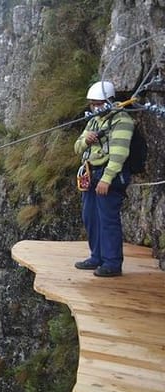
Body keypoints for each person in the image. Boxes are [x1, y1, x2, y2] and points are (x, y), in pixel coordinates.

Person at [73, 81, 133, 277]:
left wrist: (106, 179)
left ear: (108, 101)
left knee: (107, 219)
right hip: (91, 172)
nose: (94, 107)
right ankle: (96, 256)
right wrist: (85, 140)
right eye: (92, 103)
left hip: (109, 174)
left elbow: (119, 154)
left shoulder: (121, 120)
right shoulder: (93, 121)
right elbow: (77, 147)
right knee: (90, 217)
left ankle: (112, 262)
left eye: (98, 103)